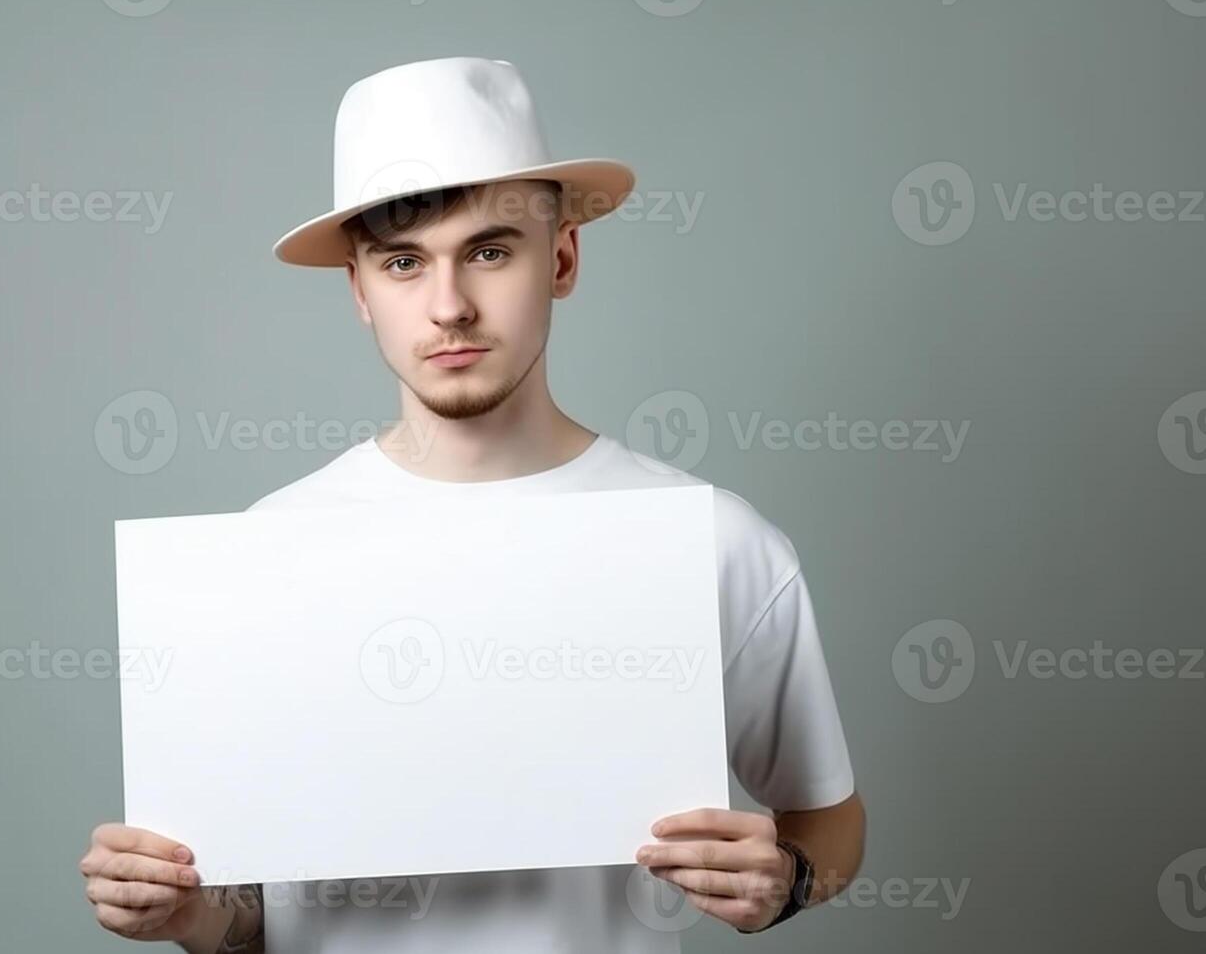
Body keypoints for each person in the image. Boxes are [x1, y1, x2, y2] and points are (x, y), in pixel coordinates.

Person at [79, 56, 865, 953]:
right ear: (360, 294)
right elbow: (262, 921)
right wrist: (190, 915)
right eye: (404, 262)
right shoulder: (273, 553)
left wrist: (790, 881)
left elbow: (831, 824)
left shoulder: (708, 539)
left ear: (561, 258)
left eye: (489, 251)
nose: (449, 306)